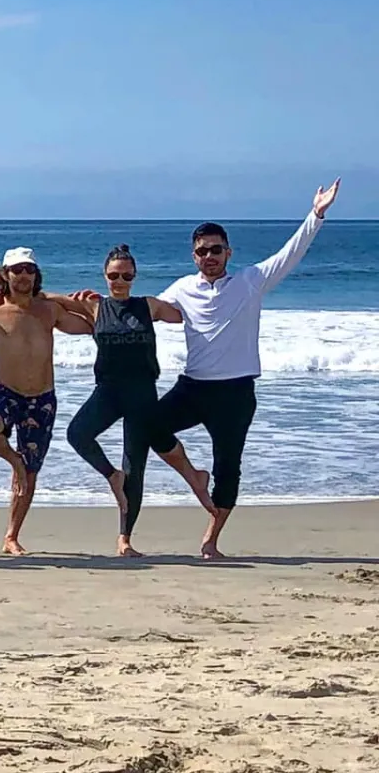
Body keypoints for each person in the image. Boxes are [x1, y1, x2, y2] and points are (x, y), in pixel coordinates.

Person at [151, 181, 339, 560]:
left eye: (216, 250)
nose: (210, 256)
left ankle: (211, 540)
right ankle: (193, 476)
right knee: (148, 426)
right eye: (202, 251)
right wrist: (98, 304)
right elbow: (147, 310)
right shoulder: (184, 288)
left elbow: (290, 254)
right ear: (194, 256)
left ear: (228, 252)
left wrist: (316, 214)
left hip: (235, 394)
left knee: (229, 470)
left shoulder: (250, 281)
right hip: (192, 388)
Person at [0, 247, 97, 557]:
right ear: (5, 274)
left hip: (41, 398)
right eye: (16, 270)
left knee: (32, 471)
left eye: (29, 270)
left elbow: (93, 324)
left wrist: (64, 299)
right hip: (5, 392)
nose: (23, 275)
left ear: (35, 275)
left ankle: (11, 536)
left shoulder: (47, 310)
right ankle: (14, 462)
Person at [63, 244, 189, 557]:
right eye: (114, 275)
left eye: (126, 275)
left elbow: (189, 315)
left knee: (135, 466)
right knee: (76, 433)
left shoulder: (148, 306)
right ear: (104, 276)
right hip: (107, 391)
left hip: (142, 394)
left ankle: (125, 539)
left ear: (134, 276)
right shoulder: (95, 307)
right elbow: (49, 301)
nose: (120, 280)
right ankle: (111, 476)